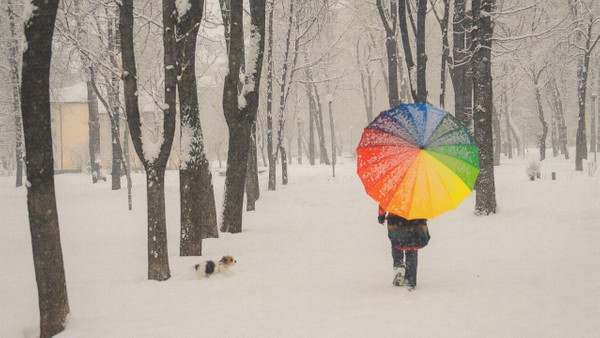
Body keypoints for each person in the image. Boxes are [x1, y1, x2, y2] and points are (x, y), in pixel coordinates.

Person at [378, 205, 430, 288]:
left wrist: (381, 216)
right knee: (412, 247)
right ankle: (411, 279)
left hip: (396, 219)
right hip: (415, 218)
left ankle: (399, 266)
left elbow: (384, 203)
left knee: (397, 243)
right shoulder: (420, 192)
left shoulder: (393, 191)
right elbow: (426, 205)